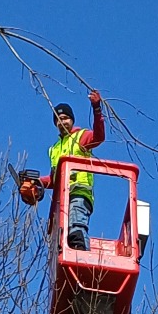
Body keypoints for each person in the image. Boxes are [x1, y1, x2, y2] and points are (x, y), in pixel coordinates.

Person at [39, 91, 106, 249]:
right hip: (62, 199)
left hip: (79, 192)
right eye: (59, 119)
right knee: (62, 239)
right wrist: (37, 182)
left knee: (76, 226)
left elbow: (99, 136)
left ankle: (81, 256)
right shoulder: (54, 149)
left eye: (65, 118)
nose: (62, 122)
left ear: (72, 120)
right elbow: (54, 178)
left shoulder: (81, 137)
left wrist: (97, 109)